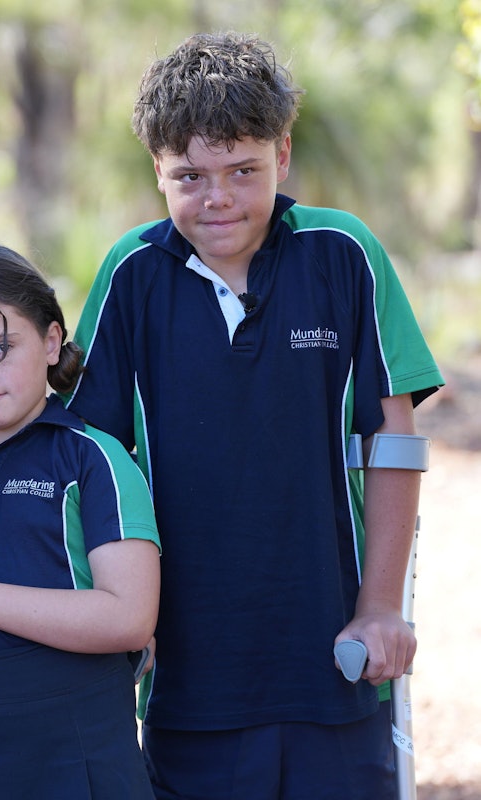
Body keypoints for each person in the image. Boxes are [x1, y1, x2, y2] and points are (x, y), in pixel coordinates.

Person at [62, 31, 445, 799]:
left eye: (244, 170)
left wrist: (376, 610)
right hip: (188, 677)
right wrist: (112, 623)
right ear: (157, 172)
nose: (219, 199)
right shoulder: (130, 274)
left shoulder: (342, 253)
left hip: (337, 662)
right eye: (189, 177)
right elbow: (88, 461)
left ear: (284, 153)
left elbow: (391, 438)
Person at [0, 242, 161, 799]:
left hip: (76, 769)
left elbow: (131, 617)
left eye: (2, 347)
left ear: (50, 340)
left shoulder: (93, 458)